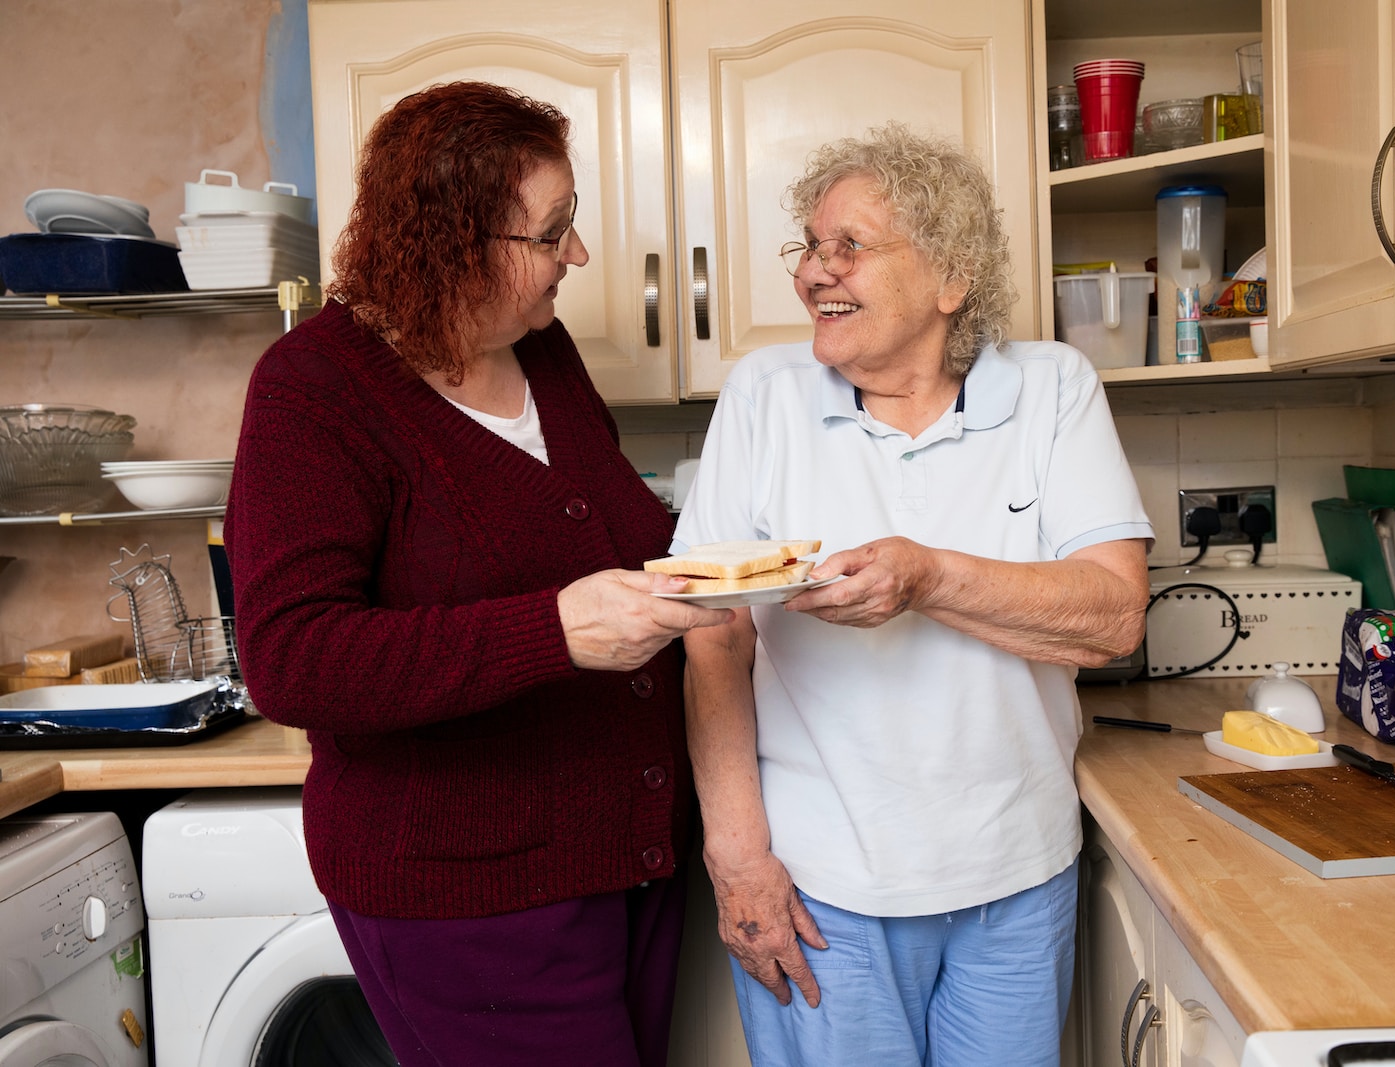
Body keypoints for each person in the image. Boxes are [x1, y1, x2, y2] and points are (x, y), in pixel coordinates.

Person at [225, 81, 732, 1067]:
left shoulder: (540, 352)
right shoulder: (313, 389)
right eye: (553, 232)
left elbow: (605, 533)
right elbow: (292, 658)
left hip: (625, 857)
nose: (575, 257)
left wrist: (741, 564)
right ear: (453, 243)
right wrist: (554, 631)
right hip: (470, 897)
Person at [674, 123, 1153, 1066]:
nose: (816, 272)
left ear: (950, 278)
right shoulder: (765, 396)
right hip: (819, 886)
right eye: (809, 248)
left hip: (1017, 874)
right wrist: (737, 861)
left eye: (849, 246)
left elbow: (1114, 616)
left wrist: (927, 576)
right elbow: (716, 632)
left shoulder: (1052, 390)